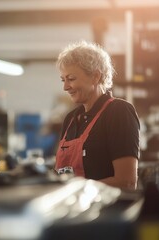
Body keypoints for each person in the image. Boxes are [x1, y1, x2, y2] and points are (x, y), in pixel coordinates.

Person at [54, 41, 140, 190]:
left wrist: (75, 188)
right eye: (63, 80)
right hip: (73, 209)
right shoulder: (71, 119)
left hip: (106, 210)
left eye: (71, 79)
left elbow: (127, 181)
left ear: (95, 76)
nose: (65, 87)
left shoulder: (118, 112)